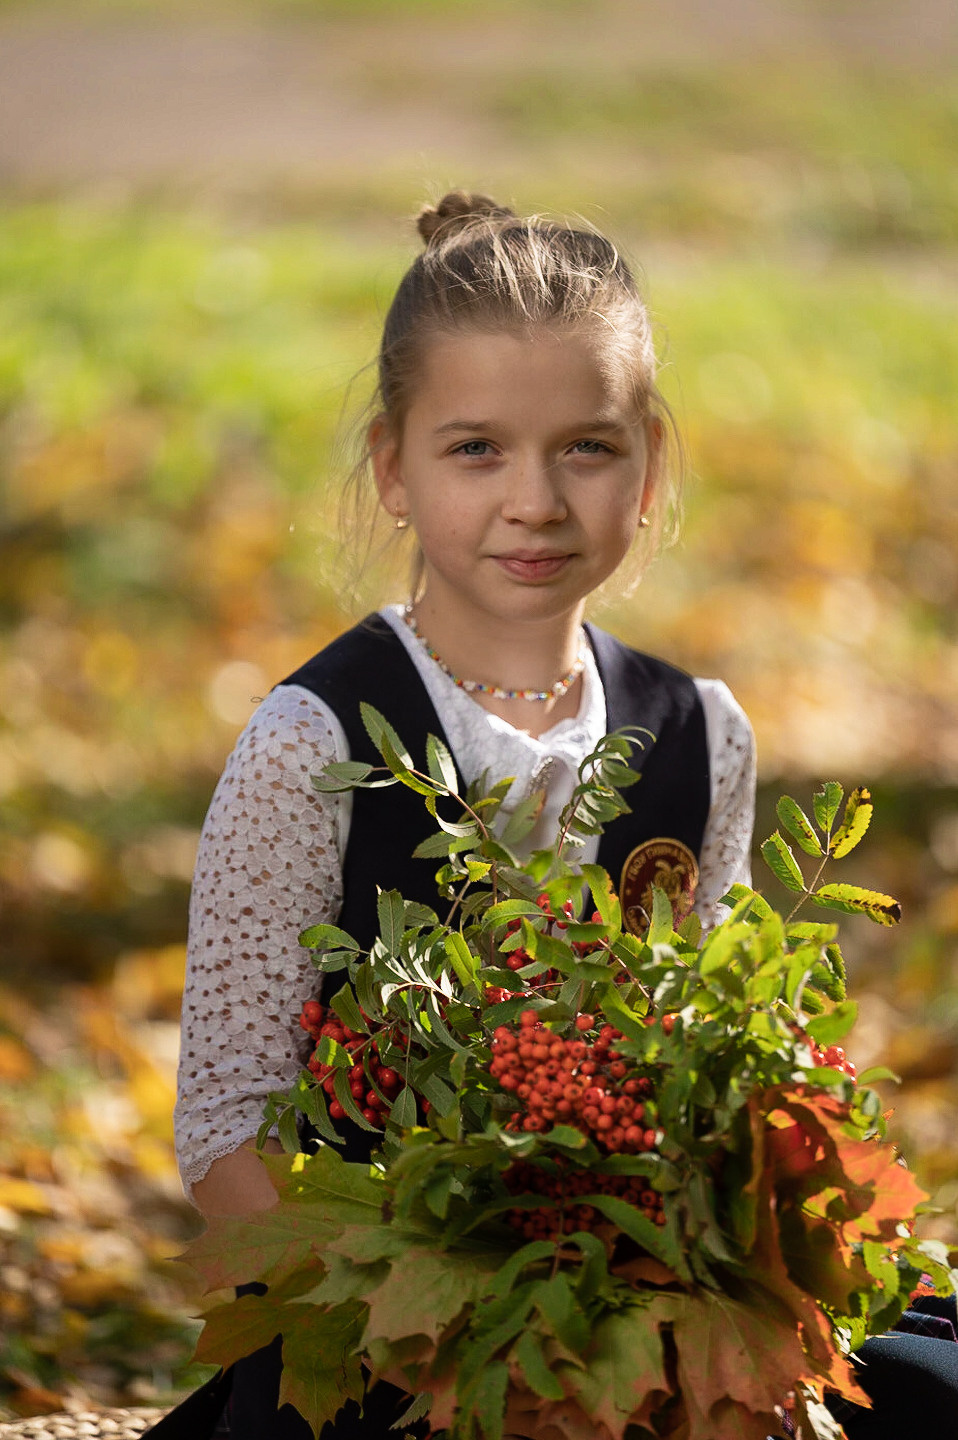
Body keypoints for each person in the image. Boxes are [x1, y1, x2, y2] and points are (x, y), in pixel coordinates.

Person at [162, 193, 954, 1439]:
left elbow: (719, 1066)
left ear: (647, 464)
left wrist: (704, 1294)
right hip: (392, 1333)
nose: (534, 499)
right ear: (393, 468)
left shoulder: (700, 735)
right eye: (475, 448)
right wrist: (448, 1333)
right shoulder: (312, 741)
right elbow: (224, 1123)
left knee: (925, 1395)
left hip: (647, 1302)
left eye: (586, 447)